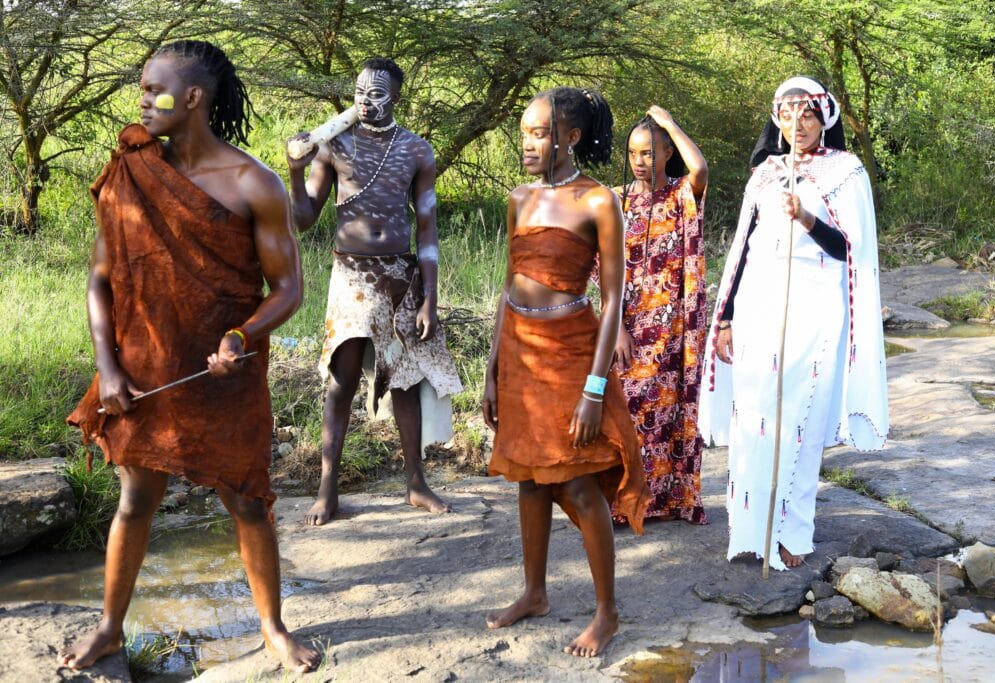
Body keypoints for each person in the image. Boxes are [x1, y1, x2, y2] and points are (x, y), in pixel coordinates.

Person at [63, 41, 319, 672]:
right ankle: (109, 629)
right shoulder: (131, 169)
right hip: (144, 366)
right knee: (135, 501)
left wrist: (241, 337)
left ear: (194, 97)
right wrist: (110, 368)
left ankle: (273, 628)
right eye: (142, 89)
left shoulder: (253, 182)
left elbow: (289, 288)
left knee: (247, 501)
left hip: (226, 374)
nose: (143, 101)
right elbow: (99, 279)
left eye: (155, 90)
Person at [482, 86, 651, 658]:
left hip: (572, 353)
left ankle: (607, 612)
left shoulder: (598, 201)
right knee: (530, 479)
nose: (527, 144)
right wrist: (492, 370)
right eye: (524, 133)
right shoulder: (519, 198)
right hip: (519, 352)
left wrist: (595, 390)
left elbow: (613, 298)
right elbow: (508, 287)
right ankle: (534, 593)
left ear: (570, 137)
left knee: (577, 482)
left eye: (539, 133)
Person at [698, 76, 888, 570]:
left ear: (823, 118)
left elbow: (850, 249)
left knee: (800, 419)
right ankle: (751, 530)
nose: (797, 124)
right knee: (755, 418)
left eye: (807, 115)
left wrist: (806, 217)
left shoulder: (845, 171)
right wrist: (726, 319)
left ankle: (794, 532)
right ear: (777, 119)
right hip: (760, 303)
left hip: (815, 306)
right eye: (787, 114)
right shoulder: (765, 173)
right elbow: (741, 249)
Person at [287, 57, 463, 525]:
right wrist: (295, 172)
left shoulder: (416, 150)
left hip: (400, 275)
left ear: (397, 98)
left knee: (405, 380)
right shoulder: (333, 146)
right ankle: (327, 489)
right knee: (342, 379)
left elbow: (427, 228)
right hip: (351, 276)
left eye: (378, 94)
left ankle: (416, 484)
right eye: (360, 93)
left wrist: (430, 297)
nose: (366, 102)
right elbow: (303, 219)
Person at [612, 105, 709, 523]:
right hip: (628, 327)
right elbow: (603, 273)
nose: (639, 161)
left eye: (649, 152)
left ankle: (666, 502)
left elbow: (700, 169)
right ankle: (622, 503)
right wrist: (616, 327)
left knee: (669, 415)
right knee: (627, 412)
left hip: (674, 329)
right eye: (633, 153)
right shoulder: (614, 200)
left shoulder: (680, 194)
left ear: (668, 153)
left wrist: (669, 124)